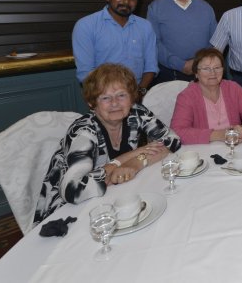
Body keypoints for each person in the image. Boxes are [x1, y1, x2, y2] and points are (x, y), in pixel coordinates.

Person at [33, 63, 181, 224]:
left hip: (112, 199)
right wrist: (124, 159)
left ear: (131, 98)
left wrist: (136, 163)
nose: (115, 103)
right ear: (92, 103)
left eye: (121, 95)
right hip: (65, 215)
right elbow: (74, 190)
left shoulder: (137, 112)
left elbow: (172, 141)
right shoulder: (83, 131)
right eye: (105, 98)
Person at [72, 0, 158, 94]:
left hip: (138, 93)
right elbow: (86, 73)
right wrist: (114, 97)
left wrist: (140, 91)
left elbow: (151, 67)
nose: (126, 2)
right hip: (103, 95)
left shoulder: (145, 26)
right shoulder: (86, 26)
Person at [170, 48, 242, 144]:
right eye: (206, 69)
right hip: (203, 149)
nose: (213, 73)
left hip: (235, 146)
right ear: (196, 73)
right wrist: (221, 135)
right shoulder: (186, 97)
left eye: (217, 68)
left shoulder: (233, 88)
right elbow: (177, 131)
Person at [147, 0, 217, 84]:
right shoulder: (156, 8)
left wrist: (201, 62)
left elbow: (215, 40)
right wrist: (181, 65)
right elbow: (154, 42)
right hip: (169, 72)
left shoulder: (206, 8)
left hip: (203, 70)